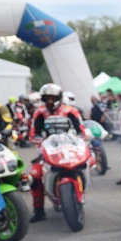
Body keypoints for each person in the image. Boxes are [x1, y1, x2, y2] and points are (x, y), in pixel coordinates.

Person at [28, 84, 87, 223]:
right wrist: (41, 141)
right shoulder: (39, 113)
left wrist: (79, 138)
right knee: (34, 175)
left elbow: (81, 132)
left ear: (59, 98)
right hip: (48, 151)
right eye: (46, 98)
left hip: (70, 148)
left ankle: (81, 192)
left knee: (87, 163)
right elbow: (33, 134)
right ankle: (38, 210)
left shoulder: (71, 111)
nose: (49, 101)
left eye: (52, 98)